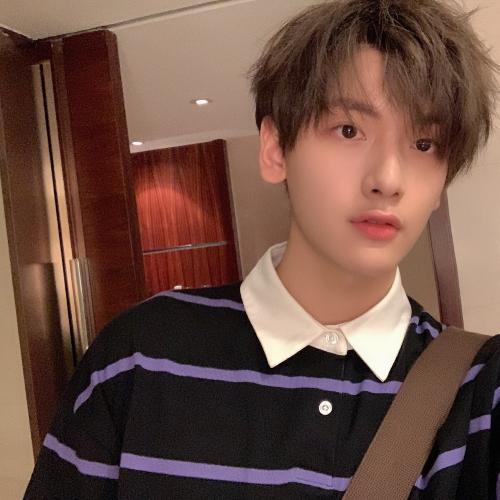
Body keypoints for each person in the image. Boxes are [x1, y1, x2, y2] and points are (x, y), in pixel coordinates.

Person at [25, 0, 500, 498]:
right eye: (349, 130)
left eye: (424, 144)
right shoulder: (139, 356)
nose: (388, 178)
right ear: (275, 149)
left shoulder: (478, 389)